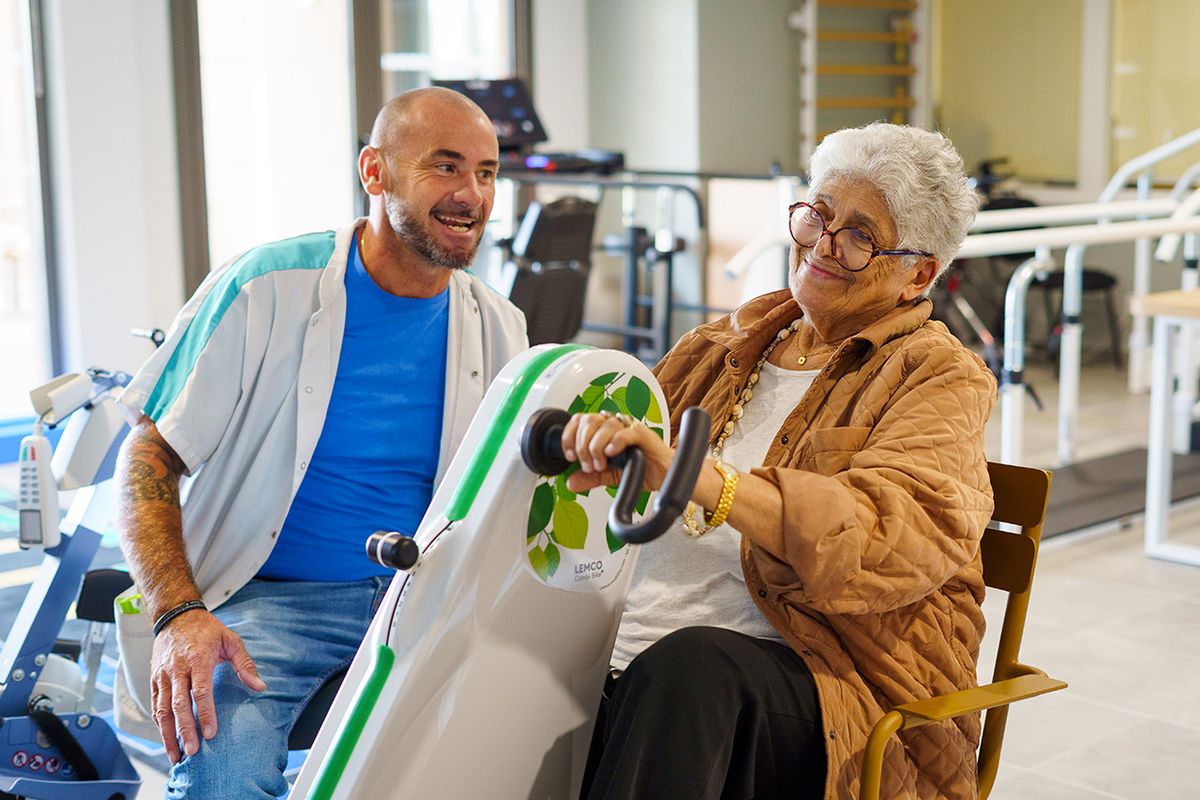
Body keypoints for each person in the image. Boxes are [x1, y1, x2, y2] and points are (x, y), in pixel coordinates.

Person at [113, 87, 527, 798]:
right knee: (223, 769)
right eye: (447, 167)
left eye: (487, 173)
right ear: (375, 172)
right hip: (271, 603)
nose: (472, 195)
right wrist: (180, 614)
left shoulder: (501, 327)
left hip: (423, 600)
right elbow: (148, 455)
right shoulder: (266, 287)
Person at [565, 123, 994, 800]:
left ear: (920, 274)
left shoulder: (938, 375)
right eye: (819, 215)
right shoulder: (722, 343)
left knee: (688, 668)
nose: (825, 244)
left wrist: (705, 480)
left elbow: (891, 533)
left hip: (832, 683)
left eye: (861, 236)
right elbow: (628, 456)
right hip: (643, 651)